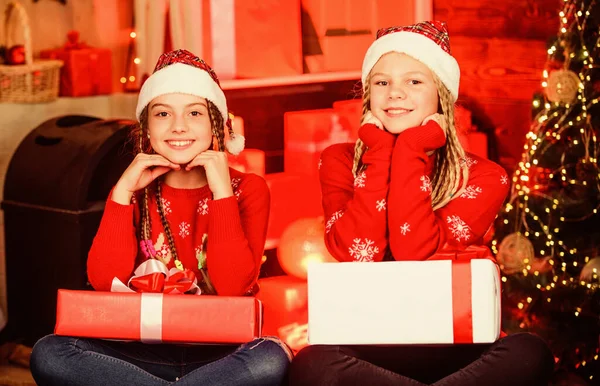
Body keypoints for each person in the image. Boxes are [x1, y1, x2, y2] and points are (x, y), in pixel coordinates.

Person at [289, 21, 554, 385]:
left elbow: (414, 249)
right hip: (368, 345)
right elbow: (357, 251)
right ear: (368, 96)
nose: (395, 93)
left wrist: (412, 149)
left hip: (456, 346)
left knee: (530, 353)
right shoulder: (337, 160)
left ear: (441, 95)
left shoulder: (485, 176)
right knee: (311, 364)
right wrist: (380, 152)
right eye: (382, 83)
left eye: (414, 81)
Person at [30, 49, 291, 386]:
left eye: (194, 112)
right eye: (163, 113)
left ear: (218, 125)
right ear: (146, 130)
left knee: (271, 358)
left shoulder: (248, 188)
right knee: (50, 352)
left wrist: (221, 192)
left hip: (219, 355)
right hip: (139, 353)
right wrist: (122, 193)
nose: (178, 126)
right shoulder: (133, 189)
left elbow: (233, 288)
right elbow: (102, 281)